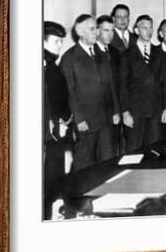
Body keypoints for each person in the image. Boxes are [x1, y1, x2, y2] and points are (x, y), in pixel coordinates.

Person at [60, 14, 119, 170]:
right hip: (86, 121)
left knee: (107, 160)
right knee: (85, 162)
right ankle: (82, 194)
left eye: (96, 29)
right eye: (92, 29)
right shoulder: (69, 58)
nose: (97, 33)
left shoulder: (102, 54)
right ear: (80, 32)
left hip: (106, 119)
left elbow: (111, 85)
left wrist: (116, 111)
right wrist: (79, 119)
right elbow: (69, 91)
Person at [120, 14, 166, 151]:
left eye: (150, 28)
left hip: (156, 111)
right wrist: (125, 112)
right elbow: (122, 86)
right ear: (136, 30)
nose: (148, 31)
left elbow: (165, 81)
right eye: (144, 28)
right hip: (135, 112)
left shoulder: (159, 53)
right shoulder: (126, 55)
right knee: (134, 150)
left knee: (154, 151)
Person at [43, 21, 72, 219]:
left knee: (55, 172)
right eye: (56, 41)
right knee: (50, 174)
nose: (60, 45)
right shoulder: (45, 64)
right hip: (51, 129)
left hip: (59, 127)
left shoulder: (52, 62)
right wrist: (57, 121)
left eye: (61, 41)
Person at [95, 15, 123, 155]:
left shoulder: (115, 52)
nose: (110, 34)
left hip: (115, 112)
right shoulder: (91, 52)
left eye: (112, 30)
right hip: (99, 114)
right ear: (97, 31)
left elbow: (118, 84)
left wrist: (118, 110)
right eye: (106, 30)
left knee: (113, 151)